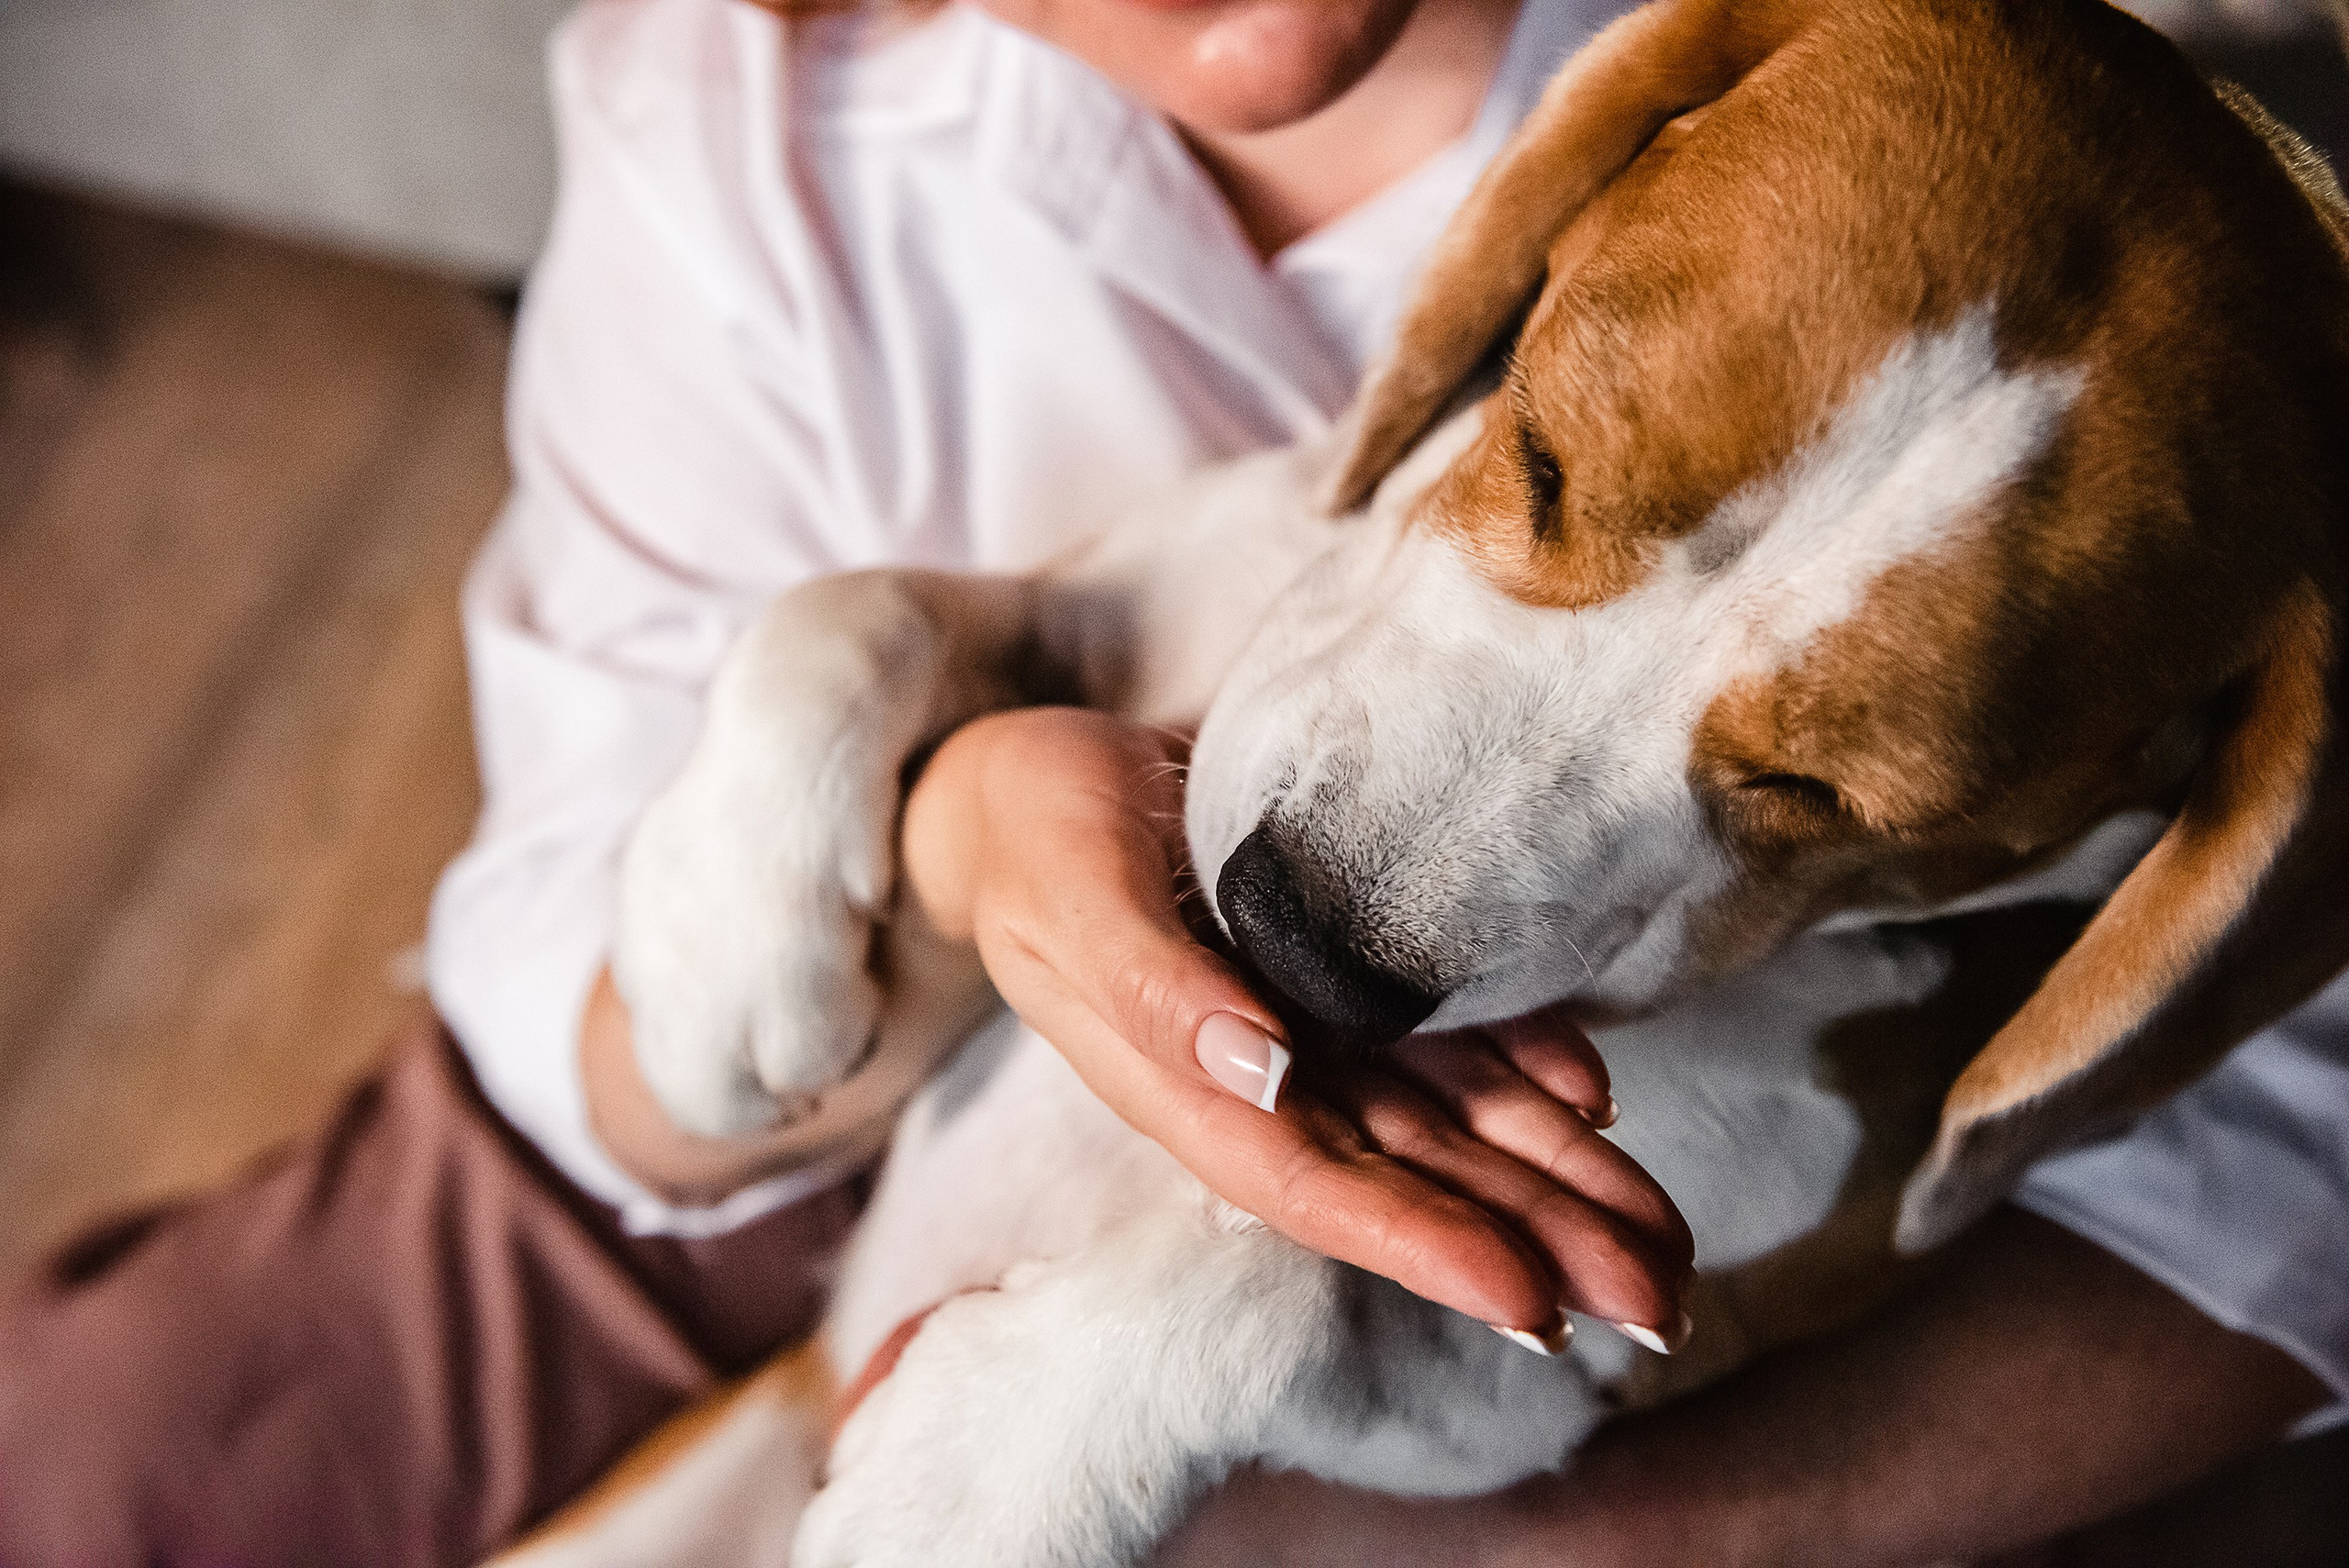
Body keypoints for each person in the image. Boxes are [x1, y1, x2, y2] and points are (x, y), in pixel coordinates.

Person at [0, 0, 2339, 1563]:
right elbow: (591, 1024)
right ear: (1543, 231)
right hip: (772, 1056)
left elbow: (2284, 1179)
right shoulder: (733, 140)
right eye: (1533, 462)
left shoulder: (2049, 178)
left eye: (1805, 782)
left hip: (1347, 1361)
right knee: (88, 1453)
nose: (1376, 899)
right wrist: (933, 823)